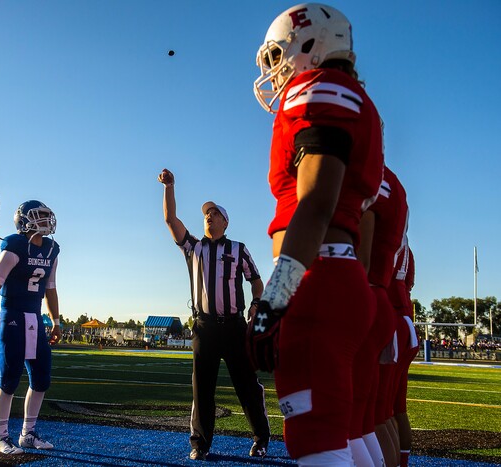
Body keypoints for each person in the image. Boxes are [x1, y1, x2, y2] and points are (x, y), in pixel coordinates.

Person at [246, 3, 384, 465]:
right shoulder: (352, 98)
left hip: (315, 276)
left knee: (315, 441)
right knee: (337, 433)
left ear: (310, 43)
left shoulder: (318, 89)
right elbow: (357, 220)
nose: (274, 69)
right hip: (337, 275)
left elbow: (317, 202)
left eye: (277, 55)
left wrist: (277, 298)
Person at [158, 168, 271, 461]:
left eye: (214, 213)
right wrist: (169, 187)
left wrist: (257, 305)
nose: (208, 216)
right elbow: (171, 220)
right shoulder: (193, 248)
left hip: (234, 328)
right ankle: (200, 444)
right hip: (204, 328)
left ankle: (261, 440)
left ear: (225, 221)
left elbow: (256, 281)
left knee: (247, 386)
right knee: (202, 389)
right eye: (206, 214)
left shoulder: (238, 249)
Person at [0, 200, 62, 455]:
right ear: (25, 220)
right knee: (9, 379)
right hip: (12, 315)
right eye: (40, 216)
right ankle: (1, 437)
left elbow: (51, 288)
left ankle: (28, 434)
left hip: (35, 317)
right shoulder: (14, 245)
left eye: (46, 216)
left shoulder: (53, 249)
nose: (45, 220)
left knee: (41, 377)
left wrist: (56, 321)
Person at [355, 165, 409, 467]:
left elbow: (361, 261)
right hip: (389, 305)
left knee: (359, 422)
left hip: (372, 300)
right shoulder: (395, 188)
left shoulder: (368, 181)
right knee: (381, 414)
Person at [388, 242, 418, 467]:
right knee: (396, 407)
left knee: (375, 411)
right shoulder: (407, 251)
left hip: (391, 316)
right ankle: (403, 461)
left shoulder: (387, 238)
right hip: (403, 315)